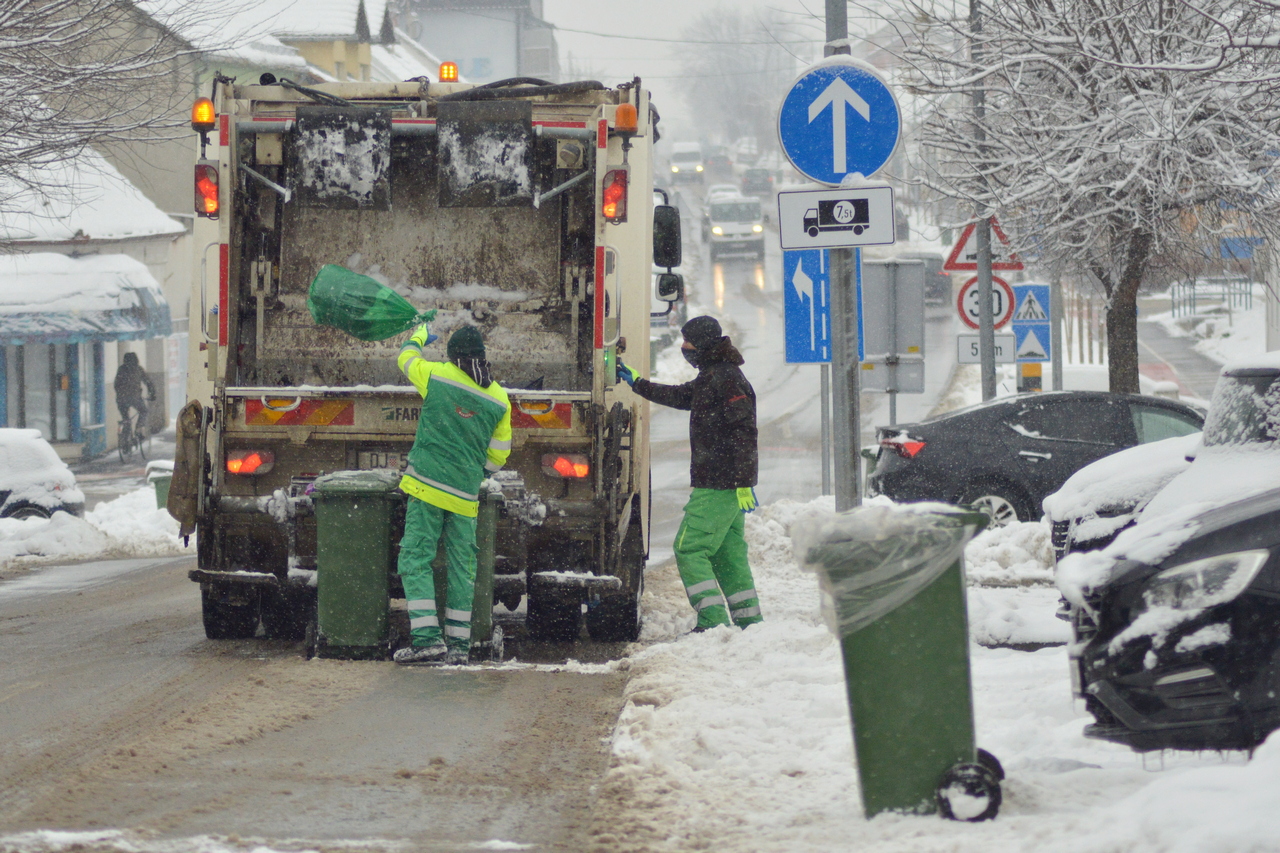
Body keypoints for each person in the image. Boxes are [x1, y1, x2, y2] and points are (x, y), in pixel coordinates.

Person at [617, 315, 763, 631]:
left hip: (719, 483)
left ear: (706, 344)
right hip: (722, 482)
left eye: (689, 341)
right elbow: (682, 396)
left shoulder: (727, 380)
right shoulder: (714, 376)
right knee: (727, 554)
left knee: (689, 548)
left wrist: (743, 482)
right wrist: (637, 383)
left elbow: (744, 432)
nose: (684, 347)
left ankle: (712, 622)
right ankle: (749, 622)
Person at [393, 322, 512, 665]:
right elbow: (500, 453)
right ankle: (459, 646)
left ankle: (427, 639)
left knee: (415, 559)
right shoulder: (499, 398)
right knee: (463, 566)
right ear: (482, 356)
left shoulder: (436, 375)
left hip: (426, 486)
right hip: (464, 496)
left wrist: (417, 335)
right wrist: (474, 474)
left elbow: (405, 359)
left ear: (452, 354)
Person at [114, 352, 156, 432]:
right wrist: (152, 393)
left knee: (125, 418)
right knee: (144, 411)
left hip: (121, 399)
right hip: (135, 397)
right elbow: (148, 382)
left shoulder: (121, 369)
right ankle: (138, 428)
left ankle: (126, 432)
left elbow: (116, 384)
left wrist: (120, 394)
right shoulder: (138, 369)